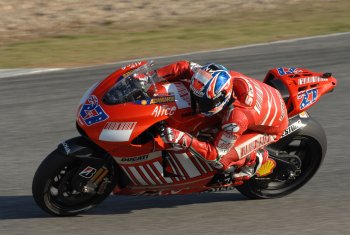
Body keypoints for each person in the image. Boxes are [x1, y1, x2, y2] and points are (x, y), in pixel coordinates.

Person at [156, 61, 288, 185]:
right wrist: (151, 76)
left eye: (203, 102)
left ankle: (255, 160)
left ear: (221, 98)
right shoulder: (213, 79)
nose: (196, 104)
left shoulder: (236, 119)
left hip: (272, 128)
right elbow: (184, 67)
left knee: (221, 162)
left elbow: (215, 154)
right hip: (265, 102)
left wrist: (184, 139)